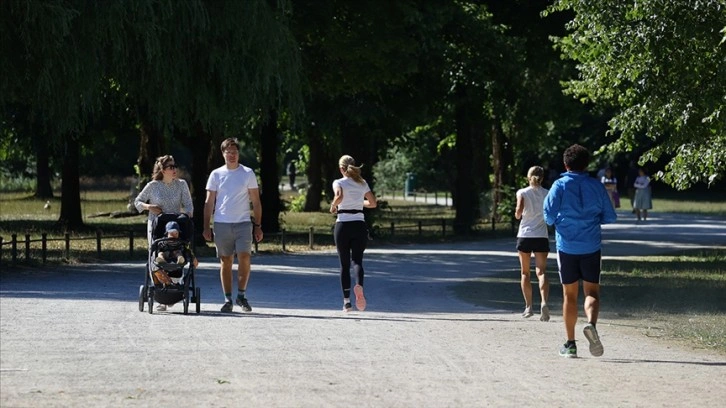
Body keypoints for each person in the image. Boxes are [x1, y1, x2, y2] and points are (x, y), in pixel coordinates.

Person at [543, 144, 617, 358]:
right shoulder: (596, 186)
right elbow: (610, 216)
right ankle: (591, 324)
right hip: (591, 246)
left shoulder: (559, 185)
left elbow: (548, 216)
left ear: (566, 164)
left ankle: (570, 344)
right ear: (587, 164)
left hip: (566, 247)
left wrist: (561, 221)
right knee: (592, 292)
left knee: (569, 295)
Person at [203, 138, 263, 313]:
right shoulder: (216, 175)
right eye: (228, 152)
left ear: (239, 153)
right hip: (222, 223)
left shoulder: (247, 173)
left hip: (243, 222)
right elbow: (209, 202)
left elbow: (256, 201)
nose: (232, 155)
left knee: (245, 257)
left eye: (234, 152)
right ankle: (227, 298)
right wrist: (206, 226)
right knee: (226, 261)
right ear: (223, 154)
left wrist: (258, 225)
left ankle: (241, 295)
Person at [134, 155, 194, 312]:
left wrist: (186, 216)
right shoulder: (153, 185)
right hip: (156, 225)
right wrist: (149, 207)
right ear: (162, 170)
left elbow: (189, 206)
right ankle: (161, 291)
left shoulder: (181, 184)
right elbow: (137, 202)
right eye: (170, 167)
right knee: (155, 255)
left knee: (175, 253)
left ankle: (174, 285)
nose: (174, 170)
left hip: (175, 226)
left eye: (175, 166)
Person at [329, 155, 377, 312]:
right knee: (357, 261)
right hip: (359, 225)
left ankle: (347, 302)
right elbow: (373, 203)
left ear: (341, 168)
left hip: (343, 224)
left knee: (344, 264)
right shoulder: (362, 183)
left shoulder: (338, 182)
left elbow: (339, 196)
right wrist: (358, 203)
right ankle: (359, 286)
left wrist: (333, 206)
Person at [514, 166, 550, 321]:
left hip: (525, 235)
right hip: (541, 236)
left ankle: (528, 307)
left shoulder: (522, 192)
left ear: (528, 177)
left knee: (525, 273)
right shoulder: (547, 193)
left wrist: (519, 213)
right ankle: (544, 302)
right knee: (541, 272)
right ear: (542, 178)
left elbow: (518, 213)